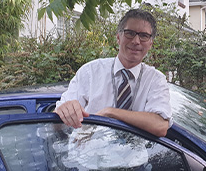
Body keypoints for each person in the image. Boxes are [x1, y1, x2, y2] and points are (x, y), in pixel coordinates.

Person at [55, 8, 172, 137]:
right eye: (130, 33)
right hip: (87, 154)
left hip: (131, 156)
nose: (136, 41)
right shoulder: (90, 72)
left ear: (150, 44)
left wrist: (110, 113)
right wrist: (67, 110)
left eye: (144, 36)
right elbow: (56, 123)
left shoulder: (155, 80)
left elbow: (160, 125)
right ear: (118, 37)